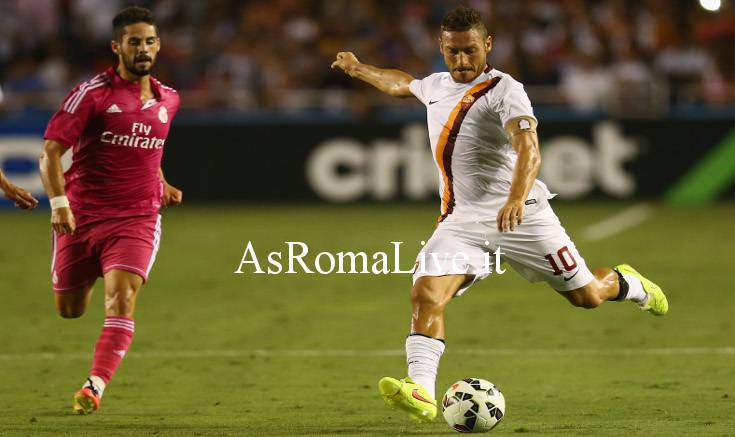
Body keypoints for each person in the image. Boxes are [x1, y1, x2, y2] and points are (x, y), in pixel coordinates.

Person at [331, 6, 668, 423]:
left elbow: (529, 149)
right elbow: (403, 84)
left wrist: (515, 197)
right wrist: (359, 69)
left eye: (470, 50)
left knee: (587, 297)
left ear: (487, 45)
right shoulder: (436, 85)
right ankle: (421, 391)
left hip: (523, 217)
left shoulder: (505, 90)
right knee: (426, 292)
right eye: (453, 52)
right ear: (441, 47)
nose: (461, 60)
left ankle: (628, 283)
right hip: (461, 222)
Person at [38, 6, 182, 415]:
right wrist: (59, 204)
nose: (143, 49)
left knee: (122, 297)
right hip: (81, 217)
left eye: (149, 41)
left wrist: (161, 181)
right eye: (134, 42)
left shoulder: (169, 99)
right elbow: (51, 153)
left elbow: (149, 149)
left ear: (159, 46)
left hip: (137, 217)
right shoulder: (92, 94)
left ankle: (94, 385)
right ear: (117, 46)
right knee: (70, 310)